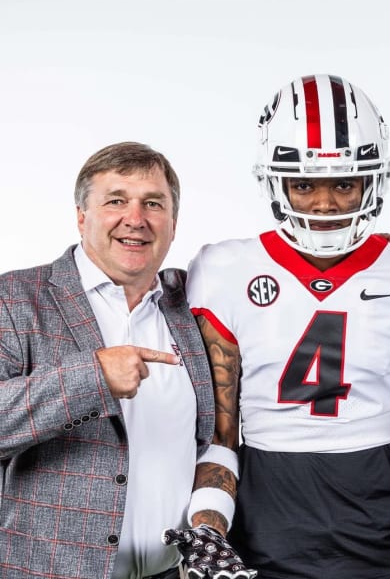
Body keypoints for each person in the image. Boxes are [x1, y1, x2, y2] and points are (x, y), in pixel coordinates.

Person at [172, 74, 390, 579]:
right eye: (303, 183)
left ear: (372, 178)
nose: (324, 204)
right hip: (262, 525)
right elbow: (222, 438)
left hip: (378, 526)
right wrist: (208, 533)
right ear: (275, 181)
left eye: (344, 182)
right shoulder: (223, 271)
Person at [0, 142, 217, 579]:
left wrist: (382, 251)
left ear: (173, 224)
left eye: (153, 204)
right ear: (82, 215)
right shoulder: (15, 299)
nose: (135, 219)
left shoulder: (191, 302)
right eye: (116, 200)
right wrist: (92, 377)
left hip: (173, 572)